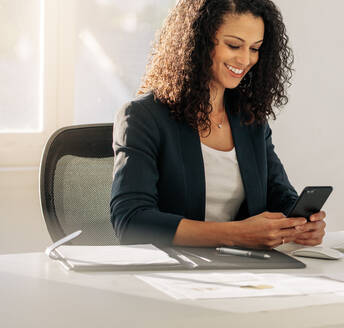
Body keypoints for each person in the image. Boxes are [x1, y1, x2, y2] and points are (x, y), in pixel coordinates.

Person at [110, 0, 326, 249]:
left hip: (243, 270)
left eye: (255, 48)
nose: (245, 59)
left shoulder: (249, 119)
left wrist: (301, 224)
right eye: (234, 45)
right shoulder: (143, 117)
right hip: (173, 271)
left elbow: (278, 194)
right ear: (198, 40)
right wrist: (236, 234)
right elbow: (131, 221)